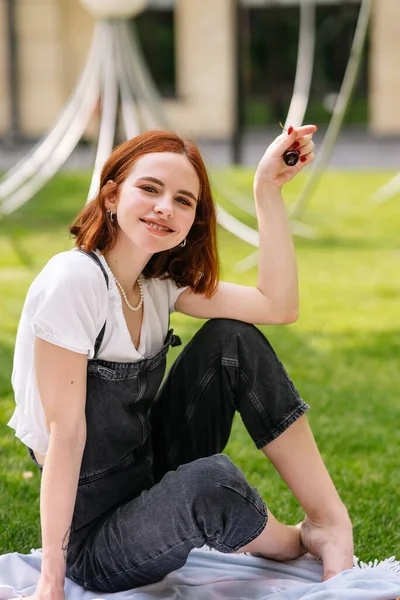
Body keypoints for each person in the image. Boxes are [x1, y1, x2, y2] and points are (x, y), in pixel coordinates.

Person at [8, 126, 353, 599]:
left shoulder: (157, 285)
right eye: (150, 189)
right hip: (96, 540)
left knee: (232, 339)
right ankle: (293, 542)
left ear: (193, 219)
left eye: (183, 200)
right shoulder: (74, 282)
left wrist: (266, 189)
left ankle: (329, 522)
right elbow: (65, 436)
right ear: (111, 196)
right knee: (211, 481)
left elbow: (278, 305)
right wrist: (52, 579)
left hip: (148, 475)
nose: (165, 207)